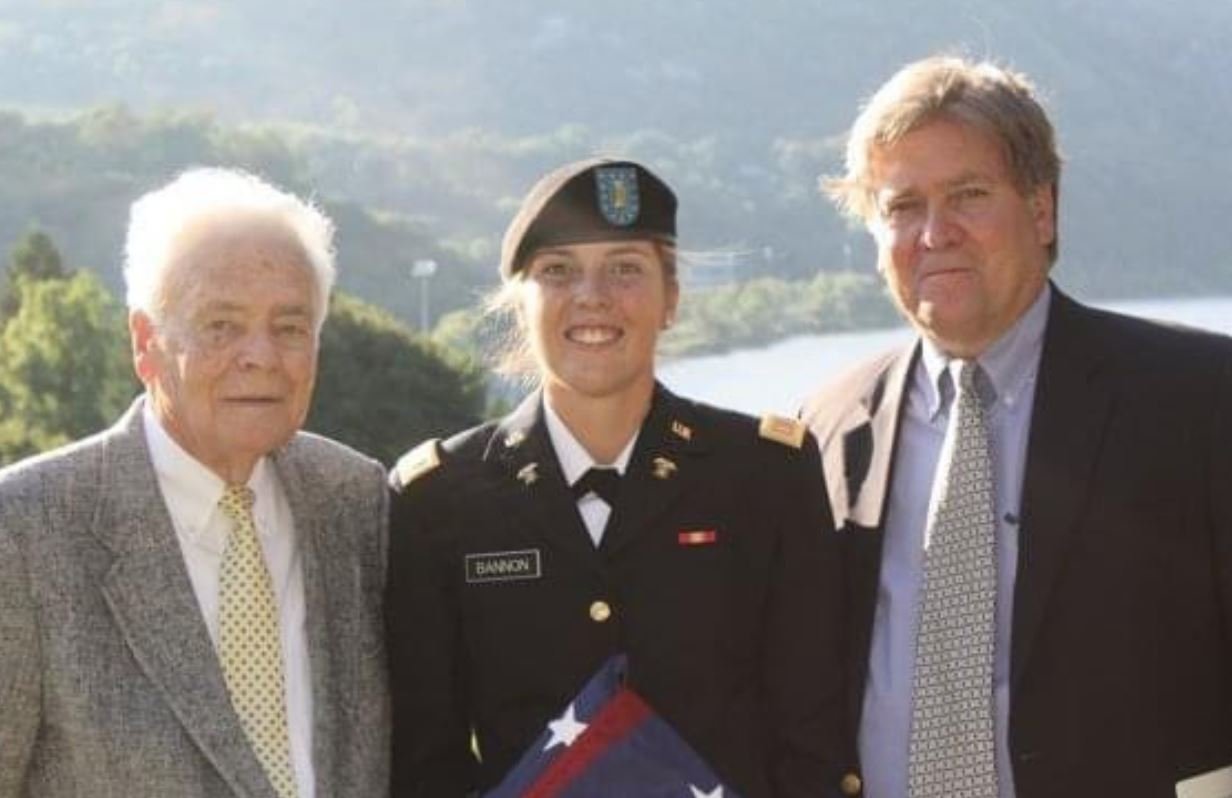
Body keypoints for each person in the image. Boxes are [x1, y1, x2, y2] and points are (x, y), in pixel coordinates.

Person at [801, 54, 1232, 798]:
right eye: (903, 207)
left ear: (1041, 209)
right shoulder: (826, 427)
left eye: (968, 195)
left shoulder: (1200, 401)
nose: (935, 233)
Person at [386, 157, 850, 797]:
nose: (592, 296)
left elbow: (812, 741)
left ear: (672, 298)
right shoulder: (439, 500)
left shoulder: (766, 475)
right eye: (557, 271)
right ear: (520, 304)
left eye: (625, 268)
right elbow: (425, 766)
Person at [0, 168, 390, 798]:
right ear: (146, 342)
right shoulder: (22, 531)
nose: (261, 356)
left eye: (290, 327)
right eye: (221, 325)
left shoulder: (357, 501)